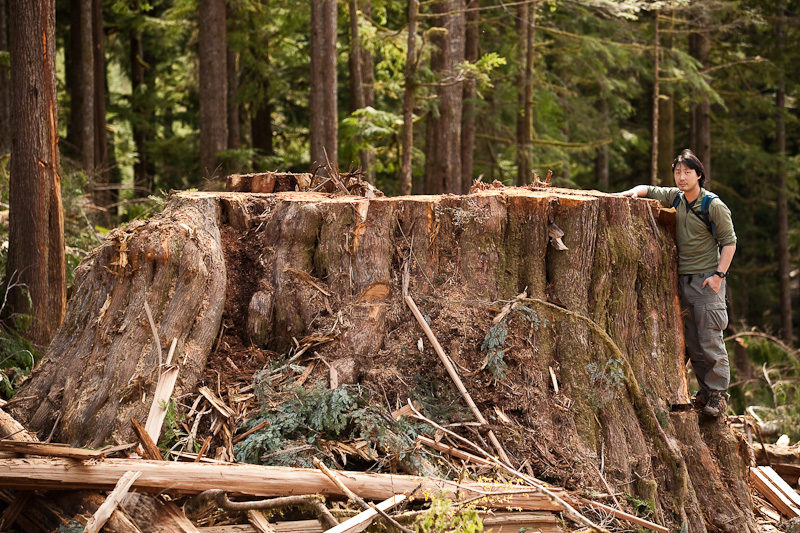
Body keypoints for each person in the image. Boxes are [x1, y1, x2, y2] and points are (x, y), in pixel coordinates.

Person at [617, 149, 737, 417]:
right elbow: (647, 189)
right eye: (677, 172)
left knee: (710, 338)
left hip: (707, 281)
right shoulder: (676, 198)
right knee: (692, 339)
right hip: (682, 280)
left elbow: (729, 242)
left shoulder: (713, 205)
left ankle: (718, 395)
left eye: (687, 172)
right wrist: (631, 194)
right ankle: (704, 392)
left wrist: (718, 276)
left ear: (699, 174)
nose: (682, 177)